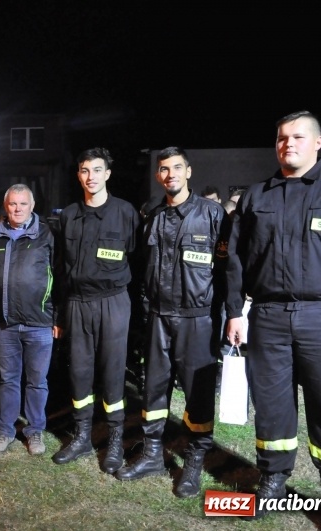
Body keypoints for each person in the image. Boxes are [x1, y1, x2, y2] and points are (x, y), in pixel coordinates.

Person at [225, 110, 321, 528]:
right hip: (268, 317)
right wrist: (236, 311)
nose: (289, 144)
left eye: (299, 137)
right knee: (272, 407)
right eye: (282, 138)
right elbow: (234, 260)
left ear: (318, 143)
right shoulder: (256, 197)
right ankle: (272, 479)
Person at [115, 147, 229, 500]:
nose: (170, 175)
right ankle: (152, 454)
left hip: (198, 320)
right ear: (158, 175)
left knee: (197, 395)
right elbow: (141, 268)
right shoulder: (152, 215)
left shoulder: (213, 215)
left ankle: (194, 460)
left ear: (188, 172)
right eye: (164, 169)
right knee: (153, 390)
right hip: (158, 319)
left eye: (177, 168)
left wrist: (227, 316)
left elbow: (227, 272)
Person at [52, 147, 140, 473]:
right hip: (76, 303)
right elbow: (60, 269)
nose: (91, 177)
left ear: (108, 173)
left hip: (113, 300)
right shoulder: (68, 215)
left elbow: (138, 260)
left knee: (113, 372)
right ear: (79, 175)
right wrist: (59, 313)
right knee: (78, 372)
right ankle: (82, 436)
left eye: (97, 170)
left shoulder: (125, 212)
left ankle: (116, 440)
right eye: (85, 171)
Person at [0, 184, 59, 455]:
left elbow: (60, 278)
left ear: (32, 205)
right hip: (5, 323)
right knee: (8, 379)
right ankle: (6, 429)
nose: (17, 208)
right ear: (6, 206)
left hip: (39, 324)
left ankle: (35, 431)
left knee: (37, 381)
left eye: (23, 204)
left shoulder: (47, 235)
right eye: (12, 204)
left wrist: (58, 317)